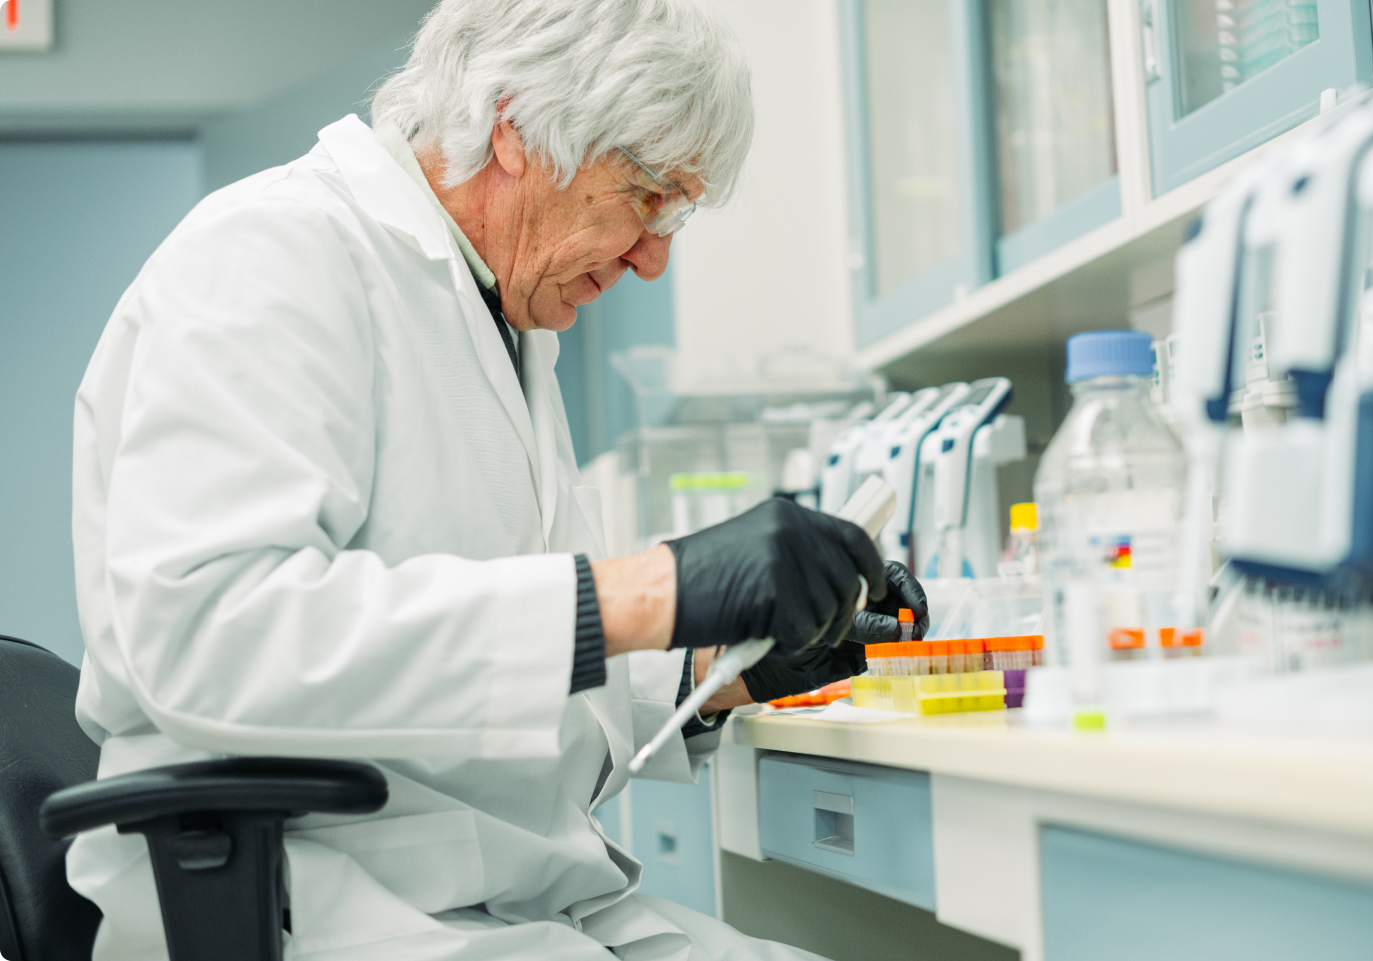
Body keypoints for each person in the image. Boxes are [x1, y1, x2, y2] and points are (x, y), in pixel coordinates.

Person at [65, 1, 927, 958]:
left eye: (678, 213)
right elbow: (209, 637)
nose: (654, 258)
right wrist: (652, 591)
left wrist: (709, 672)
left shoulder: (498, 319)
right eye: (647, 198)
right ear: (513, 129)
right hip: (329, 911)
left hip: (505, 901)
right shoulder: (270, 255)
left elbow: (488, 659)